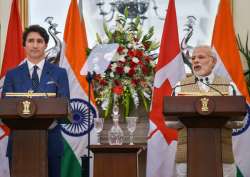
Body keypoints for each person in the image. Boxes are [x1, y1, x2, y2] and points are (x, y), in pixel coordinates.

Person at [2, 25, 70, 177]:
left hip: (51, 142)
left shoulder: (59, 73)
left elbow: (65, 104)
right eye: (30, 41)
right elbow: (5, 105)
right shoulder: (12, 75)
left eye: (39, 41)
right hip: (19, 144)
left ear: (46, 45)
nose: (35, 45)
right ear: (24, 45)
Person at [169, 45, 242, 177]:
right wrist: (191, 121)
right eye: (193, 58)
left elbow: (241, 121)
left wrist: (221, 121)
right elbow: (169, 122)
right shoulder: (180, 87)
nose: (196, 60)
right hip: (187, 156)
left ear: (213, 62)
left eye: (201, 57)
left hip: (222, 156)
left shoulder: (229, 87)